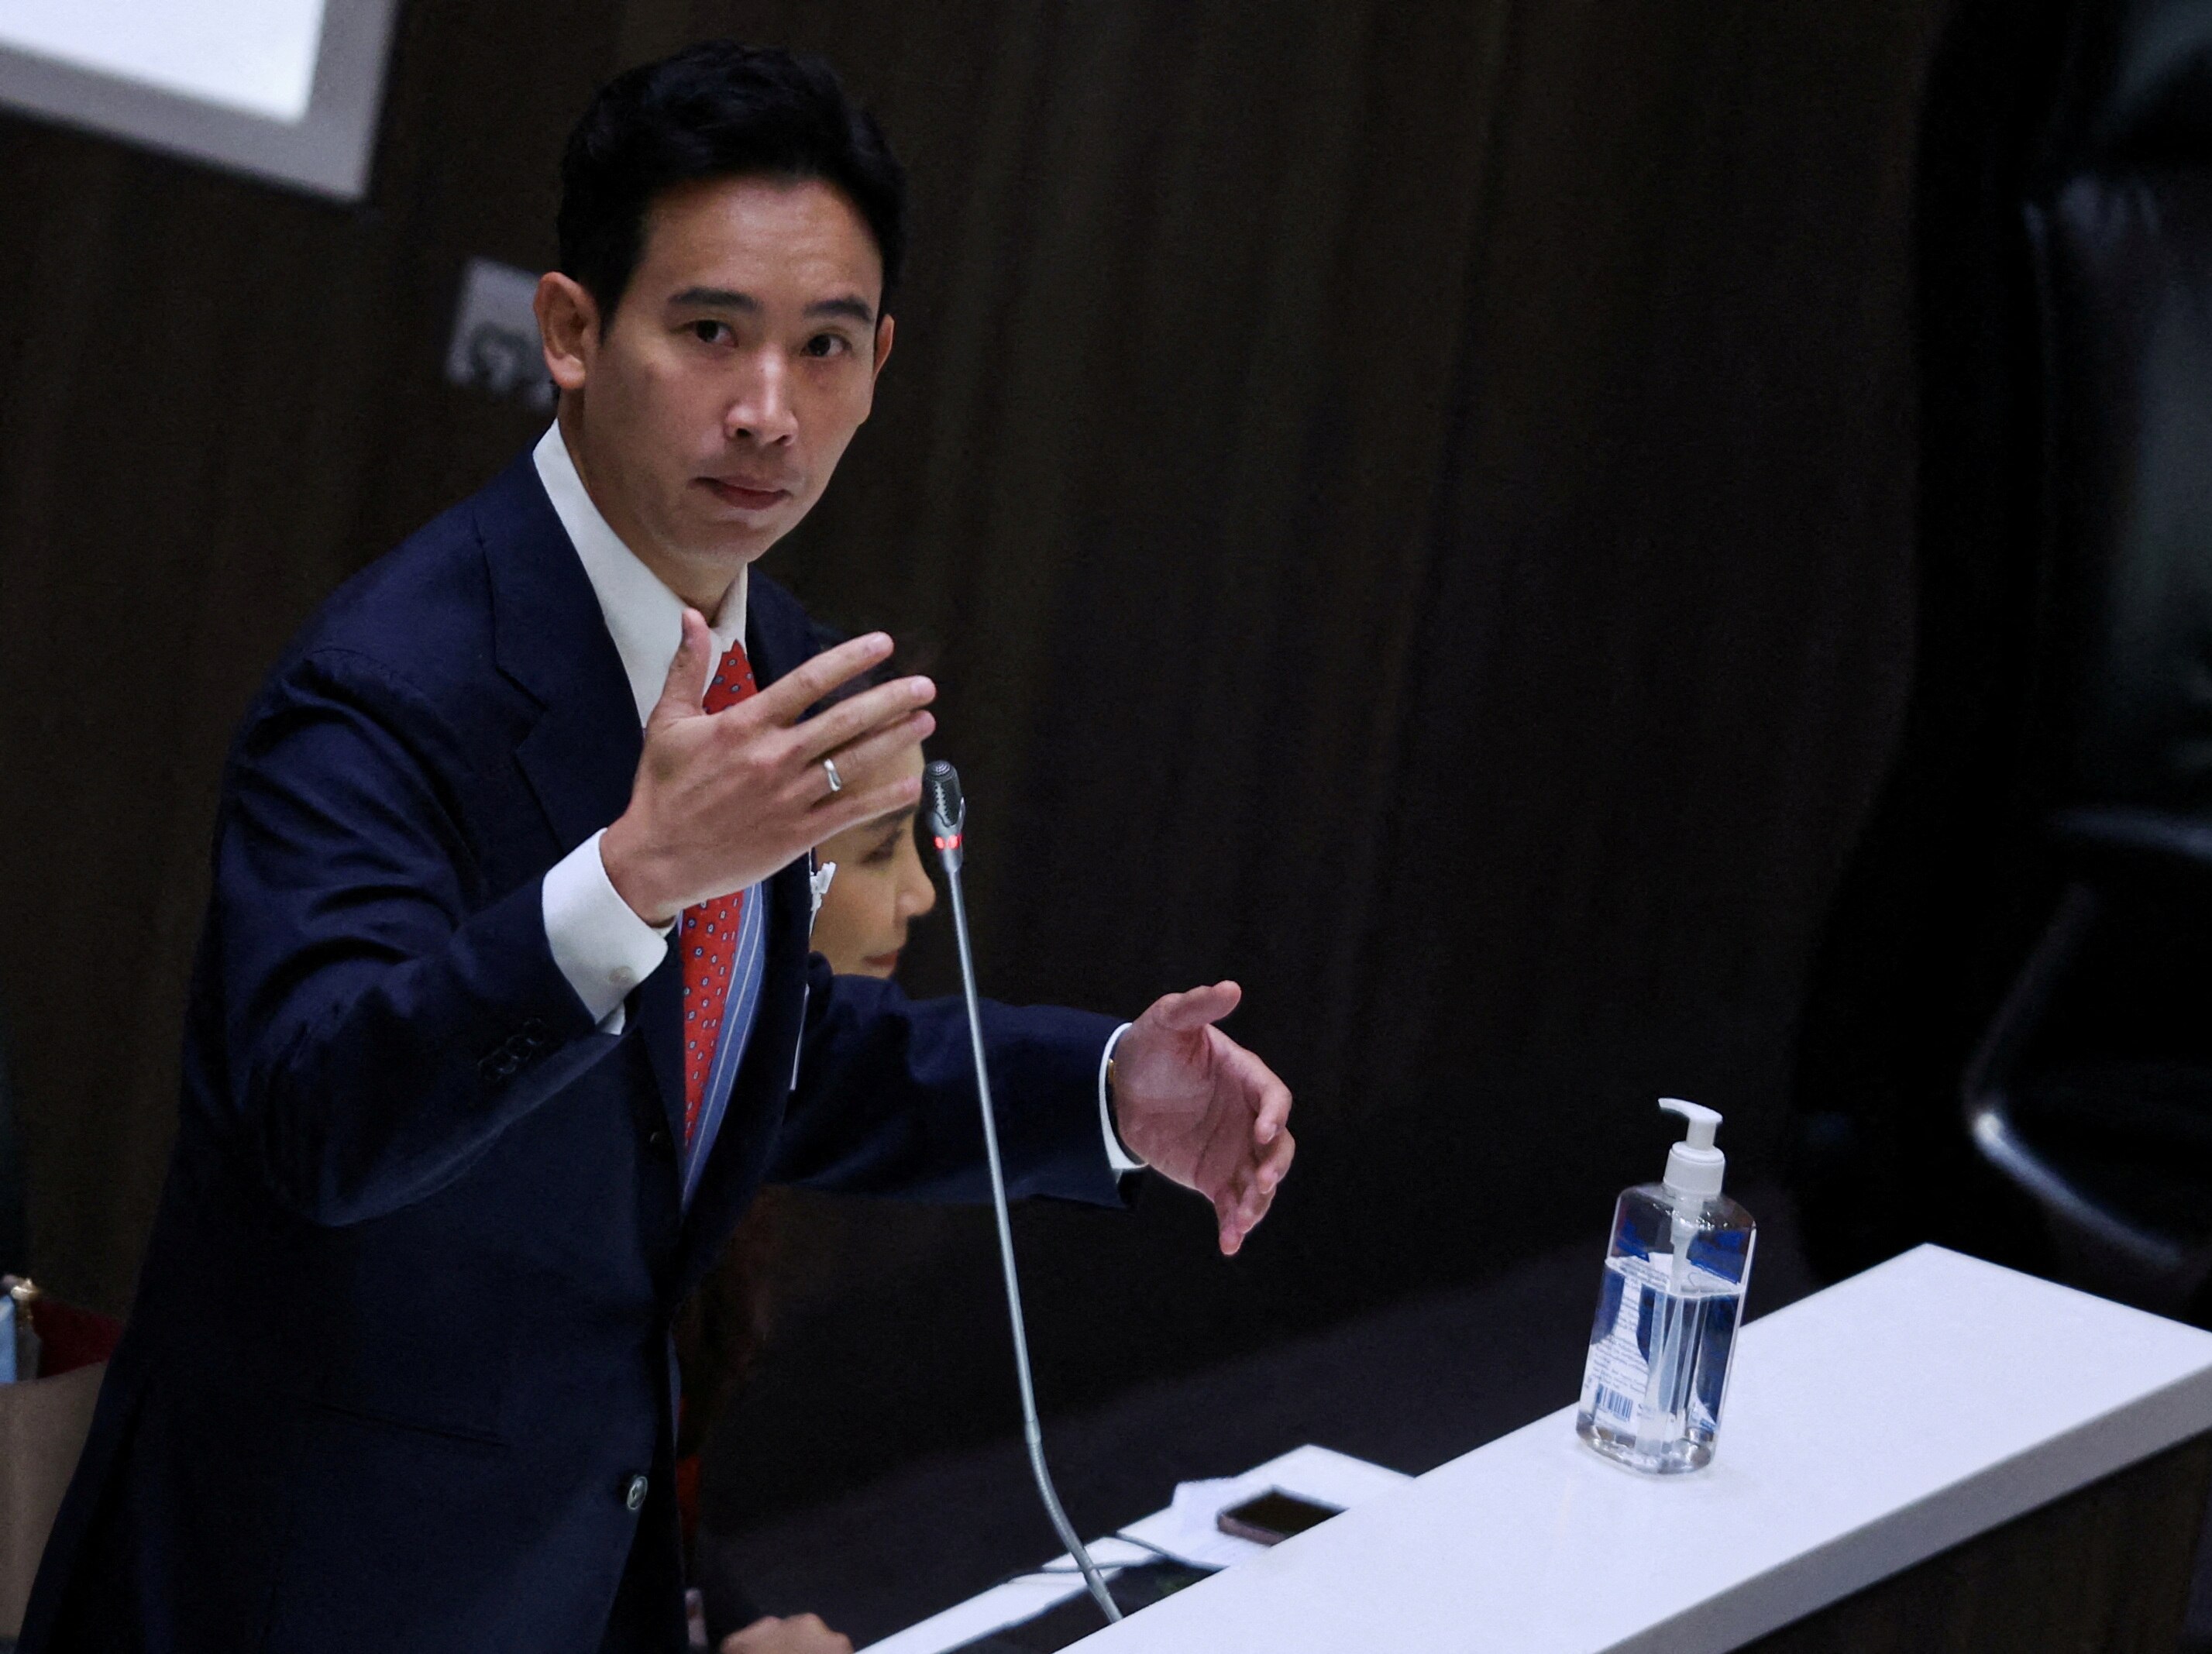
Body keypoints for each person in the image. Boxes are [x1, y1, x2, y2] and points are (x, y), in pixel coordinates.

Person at [22, 42, 1294, 1654]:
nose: (768, 410)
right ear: (569, 331)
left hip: (564, 1569)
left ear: (883, 359)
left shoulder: (775, 664)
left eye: (824, 346)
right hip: (302, 1583)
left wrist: (1105, 1088)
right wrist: (625, 882)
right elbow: (315, 1111)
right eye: (708, 332)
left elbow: (740, 1063)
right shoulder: (382, 684)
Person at [670, 732, 938, 1650]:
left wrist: (734, 1624)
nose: (921, 895)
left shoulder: (737, 1095)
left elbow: (646, 1489)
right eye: (876, 849)